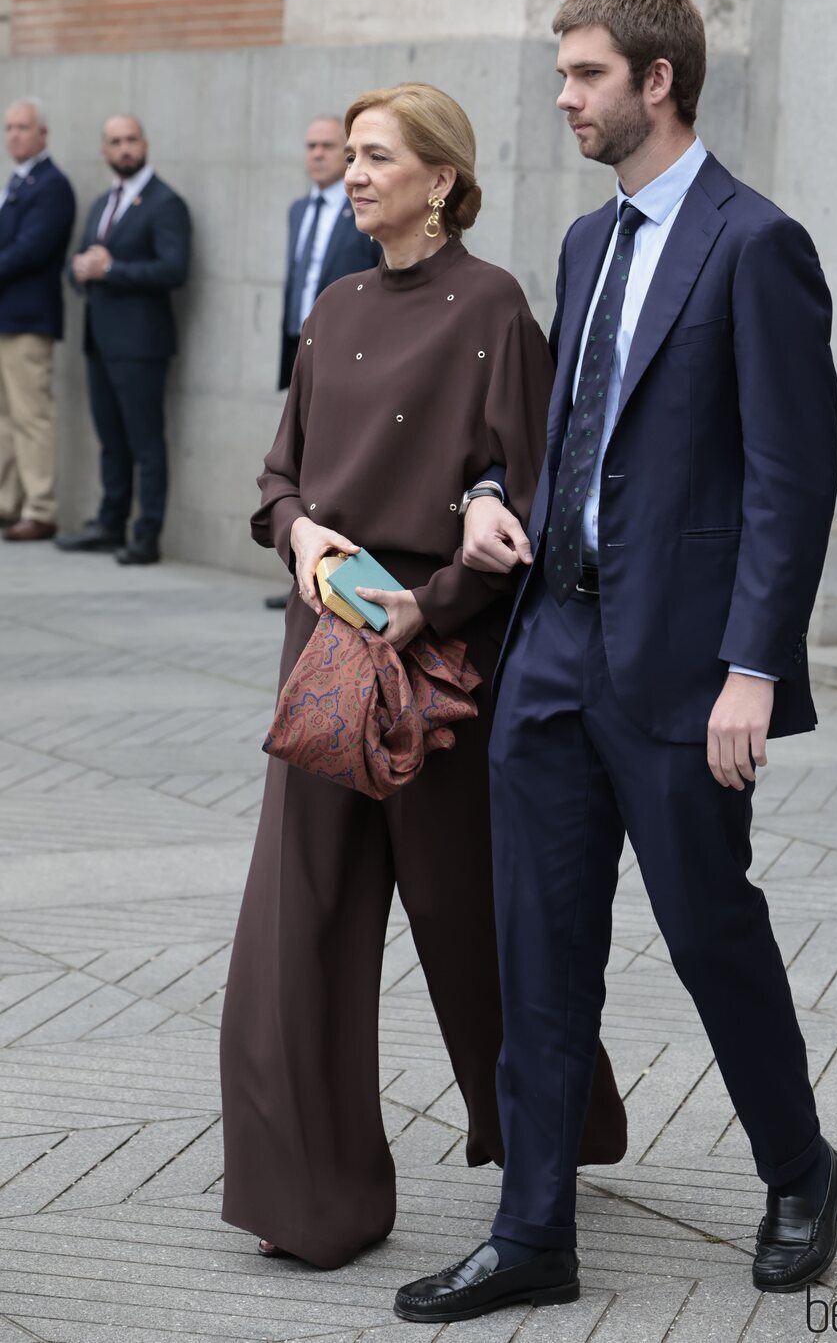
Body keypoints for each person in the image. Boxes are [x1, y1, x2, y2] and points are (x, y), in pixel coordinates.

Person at [395, 0, 837, 1324]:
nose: (565, 96)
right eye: (563, 73)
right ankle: (534, 1226)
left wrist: (753, 669)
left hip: (683, 670)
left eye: (585, 74)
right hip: (551, 645)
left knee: (711, 928)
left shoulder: (756, 243)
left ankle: (801, 1168)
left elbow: (790, 477)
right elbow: (567, 443)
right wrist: (491, 503)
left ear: (658, 79)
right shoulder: (588, 247)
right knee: (536, 941)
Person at [219, 81, 627, 1272]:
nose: (351, 173)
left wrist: (432, 604)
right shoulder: (333, 299)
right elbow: (279, 477)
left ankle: (554, 1128)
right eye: (346, 154)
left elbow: (538, 502)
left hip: (443, 661)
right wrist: (299, 536)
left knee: (473, 921)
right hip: (324, 659)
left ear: (439, 178)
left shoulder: (491, 308)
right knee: (296, 933)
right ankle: (315, 1205)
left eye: (376, 156)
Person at [57, 114, 190, 565]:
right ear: (104, 150)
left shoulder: (165, 202)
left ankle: (145, 535)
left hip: (141, 346)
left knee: (144, 443)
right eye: (115, 141)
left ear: (145, 143)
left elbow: (174, 269)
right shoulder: (102, 203)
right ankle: (109, 523)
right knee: (110, 439)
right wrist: (79, 272)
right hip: (99, 341)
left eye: (131, 139)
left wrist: (111, 270)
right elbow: (79, 262)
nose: (125, 148)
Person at [265, 115, 381, 610]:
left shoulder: (362, 214)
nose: (318, 154)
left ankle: (345, 575)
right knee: (302, 461)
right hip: (303, 343)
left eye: (330, 147)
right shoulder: (298, 209)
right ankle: (305, 565)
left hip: (354, 351)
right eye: (310, 145)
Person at [0, 98, 76, 542]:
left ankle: (41, 507)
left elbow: (31, 249)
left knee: (32, 416)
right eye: (8, 128)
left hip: (29, 320)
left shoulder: (51, 185)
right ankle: (9, 502)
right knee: (6, 416)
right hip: (7, 318)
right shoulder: (17, 182)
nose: (14, 135)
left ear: (42, 134)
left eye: (23, 127)